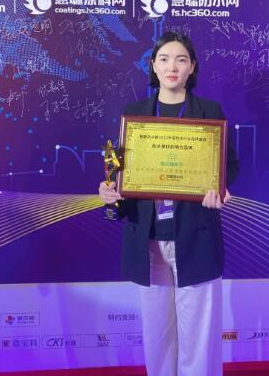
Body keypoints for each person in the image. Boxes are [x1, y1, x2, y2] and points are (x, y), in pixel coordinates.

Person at [98, 31, 239, 376]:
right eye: (164, 59)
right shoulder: (135, 114)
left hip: (196, 235)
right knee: (157, 335)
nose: (172, 66)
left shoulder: (209, 112)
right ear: (153, 66)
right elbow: (120, 171)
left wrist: (219, 188)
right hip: (148, 239)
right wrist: (110, 190)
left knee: (199, 336)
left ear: (192, 67)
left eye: (180, 59)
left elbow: (229, 166)